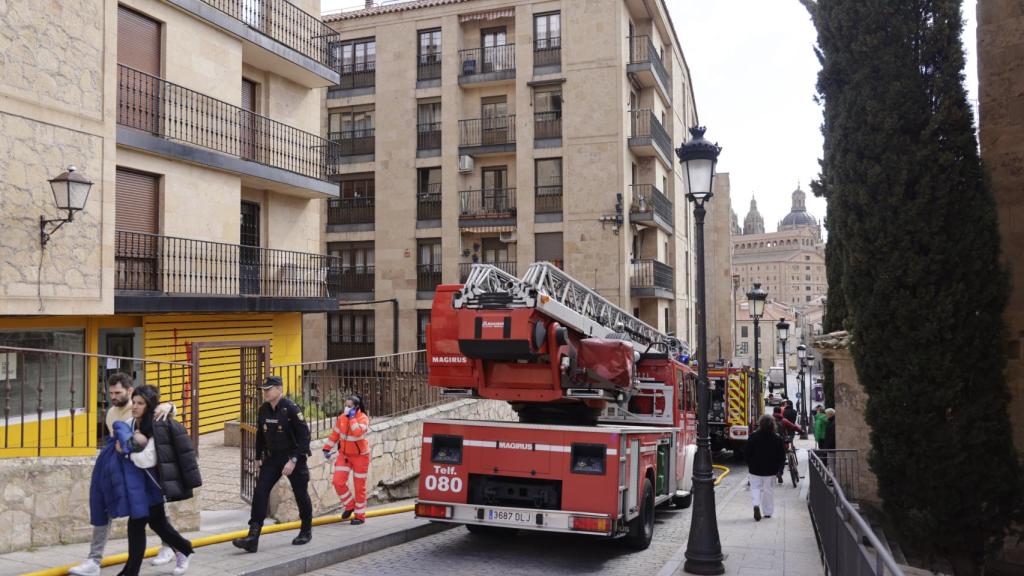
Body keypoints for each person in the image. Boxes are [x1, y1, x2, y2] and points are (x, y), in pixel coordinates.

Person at [71, 374, 177, 576]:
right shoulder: (111, 412)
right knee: (103, 507)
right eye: (110, 393)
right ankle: (94, 560)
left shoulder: (140, 406)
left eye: (118, 392)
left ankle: (169, 547)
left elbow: (166, 411)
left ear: (129, 390)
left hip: (141, 470)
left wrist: (169, 405)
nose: (113, 396)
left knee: (156, 510)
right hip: (118, 469)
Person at [116, 385, 198, 576]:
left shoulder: (155, 425)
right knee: (156, 524)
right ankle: (184, 548)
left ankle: (131, 571)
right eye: (133, 402)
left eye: (140, 403)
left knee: (138, 525)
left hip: (151, 486)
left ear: (149, 405)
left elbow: (147, 459)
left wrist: (127, 452)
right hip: (138, 486)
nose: (135, 406)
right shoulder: (131, 423)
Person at [233, 376, 313, 553]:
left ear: (278, 389)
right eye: (264, 389)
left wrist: (293, 460)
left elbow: (305, 437)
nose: (265, 392)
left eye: (268, 389)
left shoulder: (291, 409)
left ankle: (306, 530)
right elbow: (260, 435)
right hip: (273, 458)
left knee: (300, 494)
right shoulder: (264, 409)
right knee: (260, 491)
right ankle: (253, 536)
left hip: (294, 457)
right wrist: (258, 457)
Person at [322, 394, 371, 524]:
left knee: (359, 486)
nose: (346, 408)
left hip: (361, 456)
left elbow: (357, 432)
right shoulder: (342, 418)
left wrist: (352, 418)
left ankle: (360, 516)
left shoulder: (364, 418)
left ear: (356, 407)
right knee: (338, 482)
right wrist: (327, 448)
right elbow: (335, 435)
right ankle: (350, 505)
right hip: (344, 455)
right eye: (345, 405)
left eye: (349, 406)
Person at [746, 415, 785, 521]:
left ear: (760, 423)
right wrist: (780, 470)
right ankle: (767, 512)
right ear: (773, 425)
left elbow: (747, 453)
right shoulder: (777, 438)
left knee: (755, 487)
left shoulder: (753, 436)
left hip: (755, 468)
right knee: (768, 490)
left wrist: (749, 464)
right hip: (771, 469)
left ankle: (756, 505)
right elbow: (782, 456)